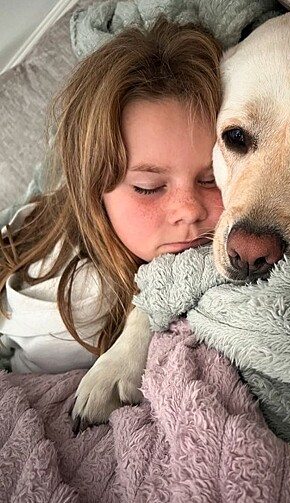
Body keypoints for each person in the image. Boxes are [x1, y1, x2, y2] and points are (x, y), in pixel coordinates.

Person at [0, 17, 223, 374]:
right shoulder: (84, 305)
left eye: (213, 179)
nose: (189, 211)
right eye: (147, 188)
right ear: (93, 192)